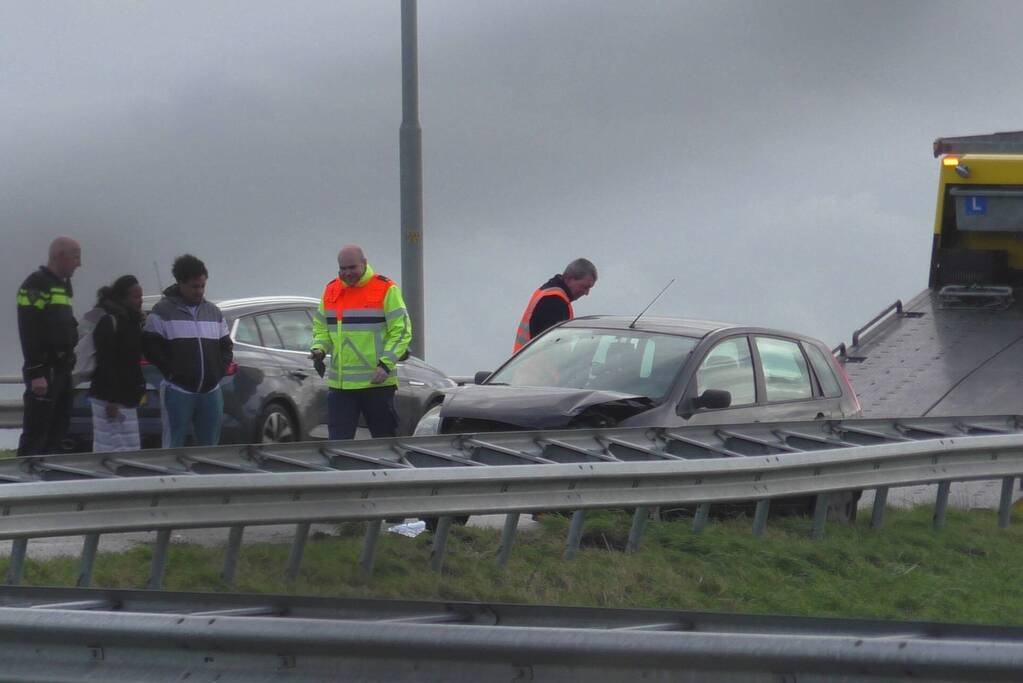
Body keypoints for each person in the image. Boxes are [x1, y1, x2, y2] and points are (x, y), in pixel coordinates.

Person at [310, 245, 412, 440]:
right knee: (338, 445)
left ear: (364, 264)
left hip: (377, 383)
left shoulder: (385, 288)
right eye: (342, 268)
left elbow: (402, 330)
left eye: (352, 267)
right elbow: (321, 327)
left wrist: (385, 365)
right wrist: (319, 349)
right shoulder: (331, 290)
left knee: (384, 442)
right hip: (341, 386)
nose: (347, 273)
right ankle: (342, 470)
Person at [142, 254, 233, 448]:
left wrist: (218, 371)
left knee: (210, 446)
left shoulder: (213, 312)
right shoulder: (163, 311)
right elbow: (150, 347)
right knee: (174, 443)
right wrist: (172, 372)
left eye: (202, 286)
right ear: (180, 283)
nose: (199, 291)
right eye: (194, 286)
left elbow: (226, 347)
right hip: (178, 390)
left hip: (210, 391)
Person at [16, 236, 82, 456]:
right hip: (45, 370)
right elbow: (29, 329)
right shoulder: (36, 284)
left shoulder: (61, 287)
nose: (79, 264)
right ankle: (25, 486)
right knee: (37, 434)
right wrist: (36, 371)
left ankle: (49, 485)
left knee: (56, 434)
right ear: (60, 256)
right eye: (76, 257)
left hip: (62, 370)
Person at [88, 275, 146, 452]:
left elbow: (133, 361)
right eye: (135, 297)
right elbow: (106, 362)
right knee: (109, 448)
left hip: (128, 397)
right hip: (109, 399)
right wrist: (111, 400)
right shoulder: (109, 321)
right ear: (122, 298)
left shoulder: (133, 322)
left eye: (141, 297)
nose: (140, 301)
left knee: (129, 449)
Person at [513, 257, 597, 352]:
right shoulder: (554, 300)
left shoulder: (549, 291)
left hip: (522, 362)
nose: (586, 293)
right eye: (584, 287)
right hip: (537, 364)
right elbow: (553, 347)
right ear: (569, 279)